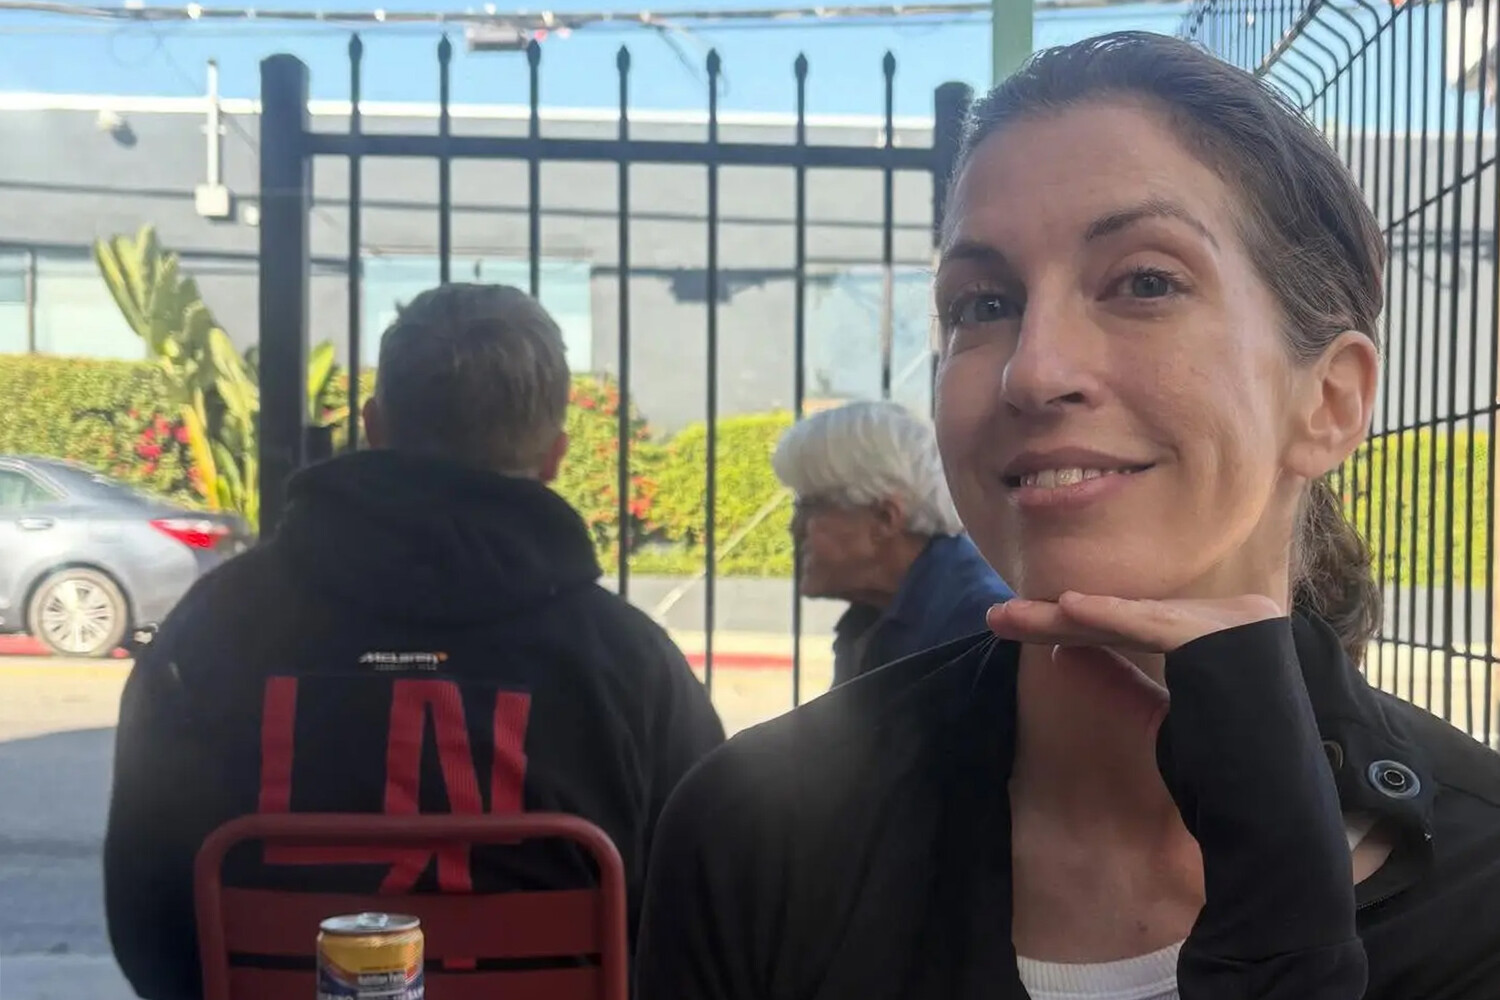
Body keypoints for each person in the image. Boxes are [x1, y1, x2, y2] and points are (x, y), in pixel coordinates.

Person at [636, 32, 1500, 1000]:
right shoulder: (755, 837)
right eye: (982, 303)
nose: (1033, 369)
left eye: (1145, 282)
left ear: (1330, 401)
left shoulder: (1481, 889)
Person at [105, 283, 725, 1000]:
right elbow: (706, 904)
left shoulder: (214, 625)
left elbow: (144, 913)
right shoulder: (630, 661)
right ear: (556, 455)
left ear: (374, 425)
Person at [772, 400, 1013, 686]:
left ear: (885, 518)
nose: (794, 527)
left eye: (810, 507)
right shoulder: (875, 617)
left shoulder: (980, 629)